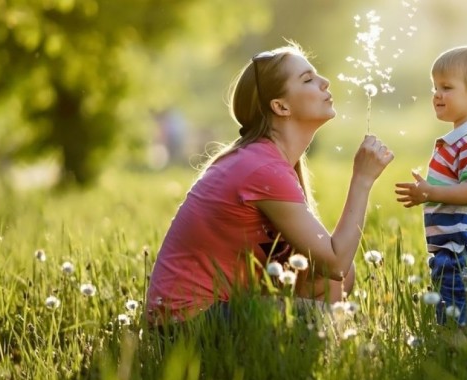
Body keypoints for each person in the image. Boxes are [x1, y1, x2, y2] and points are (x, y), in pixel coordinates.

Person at [145, 42, 394, 326]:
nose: (325, 83)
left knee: (324, 281)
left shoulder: (267, 160)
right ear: (280, 106)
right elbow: (335, 262)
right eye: (308, 79)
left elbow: (329, 267)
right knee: (326, 315)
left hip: (211, 312)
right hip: (186, 324)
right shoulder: (263, 168)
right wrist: (362, 180)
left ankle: (297, 357)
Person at [394, 45, 467, 326]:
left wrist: (431, 192)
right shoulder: (463, 139)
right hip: (458, 248)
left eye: (446, 87)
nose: (437, 95)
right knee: (466, 314)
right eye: (434, 87)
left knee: (458, 318)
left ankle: (459, 358)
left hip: (464, 250)